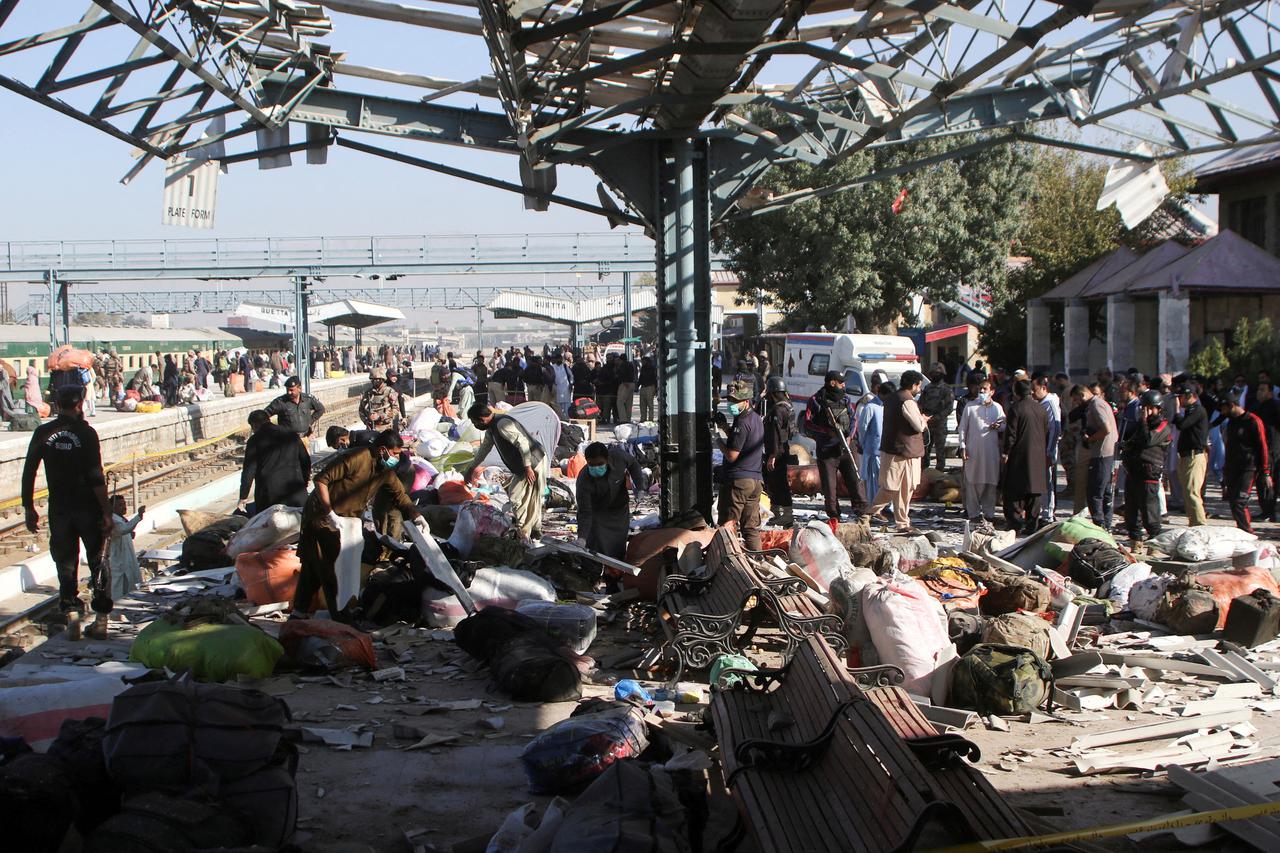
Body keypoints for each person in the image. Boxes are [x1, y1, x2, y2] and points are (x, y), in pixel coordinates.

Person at [293, 430, 424, 619]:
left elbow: (400, 496)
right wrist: (329, 512)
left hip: (347, 520)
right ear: (382, 450)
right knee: (331, 566)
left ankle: (299, 611)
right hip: (322, 516)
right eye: (395, 453)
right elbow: (321, 480)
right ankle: (340, 615)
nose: (397, 457)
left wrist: (417, 516)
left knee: (314, 566)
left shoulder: (384, 470)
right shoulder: (356, 457)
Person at [22, 385, 114, 638]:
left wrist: (29, 507)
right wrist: (107, 511)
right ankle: (101, 620)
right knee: (98, 560)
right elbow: (96, 477)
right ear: (79, 404)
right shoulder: (86, 433)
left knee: (65, 562)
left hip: (60, 510)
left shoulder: (43, 433)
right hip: (88, 508)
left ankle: (72, 617)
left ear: (57, 404)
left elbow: (29, 470)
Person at [462, 403, 548, 539]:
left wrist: (528, 467)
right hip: (526, 465)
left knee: (517, 496)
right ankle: (534, 530)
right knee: (529, 497)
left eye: (474, 422)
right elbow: (484, 449)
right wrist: (471, 468)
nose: (475, 426)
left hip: (532, 462)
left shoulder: (502, 424)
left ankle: (523, 532)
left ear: (482, 419)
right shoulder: (492, 428)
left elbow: (523, 443)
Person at [865, 370, 927, 533]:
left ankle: (901, 522)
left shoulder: (893, 398)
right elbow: (918, 425)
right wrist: (924, 420)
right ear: (914, 385)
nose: (919, 389)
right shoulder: (907, 401)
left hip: (898, 450)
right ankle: (871, 514)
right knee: (894, 487)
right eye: (919, 386)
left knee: (900, 488)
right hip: (902, 451)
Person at [803, 370, 865, 522]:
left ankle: (862, 512)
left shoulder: (845, 399)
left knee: (855, 481)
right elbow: (808, 423)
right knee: (830, 487)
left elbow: (853, 419)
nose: (843, 385)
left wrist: (849, 437)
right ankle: (834, 516)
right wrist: (827, 432)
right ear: (832, 383)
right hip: (827, 450)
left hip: (847, 448)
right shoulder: (816, 400)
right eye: (841, 382)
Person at [575, 441, 648, 559]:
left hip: (619, 511)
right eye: (591, 465)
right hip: (597, 514)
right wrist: (582, 538)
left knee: (618, 546)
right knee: (597, 548)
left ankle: (616, 573)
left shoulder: (619, 457)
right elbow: (584, 512)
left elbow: (633, 464)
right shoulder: (584, 480)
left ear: (607, 459)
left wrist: (639, 487)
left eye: (600, 463)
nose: (596, 468)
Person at [714, 381, 765, 550]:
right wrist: (725, 428)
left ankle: (727, 561)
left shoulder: (742, 422)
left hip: (739, 482)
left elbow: (732, 455)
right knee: (750, 528)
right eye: (730, 400)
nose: (731, 404)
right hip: (755, 480)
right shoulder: (755, 418)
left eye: (735, 401)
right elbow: (743, 442)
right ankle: (756, 561)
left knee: (727, 525)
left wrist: (718, 441)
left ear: (746, 401)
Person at [1120, 390, 1173, 547]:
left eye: (1150, 409)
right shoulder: (1140, 425)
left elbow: (1148, 440)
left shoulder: (1163, 426)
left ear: (1158, 409)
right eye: (1144, 408)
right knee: (1131, 511)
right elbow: (1132, 441)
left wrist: (1143, 421)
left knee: (1150, 512)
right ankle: (1135, 541)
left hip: (1149, 474)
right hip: (1133, 472)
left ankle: (1155, 543)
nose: (1146, 412)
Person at [237, 409, 312, 514]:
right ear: (268, 419)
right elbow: (305, 460)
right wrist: (304, 481)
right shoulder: (291, 434)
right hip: (295, 492)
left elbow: (249, 471)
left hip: (269, 497)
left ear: (254, 425)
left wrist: (243, 497)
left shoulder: (254, 440)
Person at [1002, 379, 1049, 534]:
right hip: (1037, 456)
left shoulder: (1016, 408)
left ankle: (1015, 524)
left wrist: (1006, 452)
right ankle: (1031, 525)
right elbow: (1046, 432)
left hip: (1019, 456)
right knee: (1034, 493)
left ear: (1016, 392)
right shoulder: (1041, 409)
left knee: (1014, 492)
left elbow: (1011, 434)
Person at [1220, 393, 1271, 533]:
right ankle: (1242, 530)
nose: (1222, 413)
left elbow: (1263, 446)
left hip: (1248, 468)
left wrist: (1266, 471)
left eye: (1224, 409)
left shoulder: (1253, 421)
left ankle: (1248, 533)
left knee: (1239, 501)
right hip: (1232, 467)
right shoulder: (1231, 422)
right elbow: (1229, 447)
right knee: (1232, 502)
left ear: (1232, 406)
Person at [958, 378, 1003, 525]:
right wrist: (963, 447)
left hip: (991, 452)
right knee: (972, 481)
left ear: (992, 391)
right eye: (980, 389)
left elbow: (1004, 425)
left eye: (985, 389)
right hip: (973, 451)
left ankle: (989, 513)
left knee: (990, 482)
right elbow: (963, 428)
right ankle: (974, 513)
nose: (982, 391)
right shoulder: (970, 407)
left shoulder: (997, 408)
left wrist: (998, 426)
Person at [1080, 381, 1118, 529]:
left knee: (1095, 492)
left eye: (1077, 399)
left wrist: (1090, 439)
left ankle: (1100, 525)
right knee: (1105, 491)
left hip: (1103, 454)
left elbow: (1106, 429)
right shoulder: (1100, 403)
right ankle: (1106, 525)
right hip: (1107, 453)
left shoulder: (1096, 405)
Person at [1172, 385, 1209, 526]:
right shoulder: (1189, 411)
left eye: (1181, 397)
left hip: (1195, 456)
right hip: (1185, 456)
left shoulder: (1198, 410)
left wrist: (1176, 412)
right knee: (1187, 492)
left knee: (1192, 491)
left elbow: (1183, 425)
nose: (1179, 400)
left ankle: (1200, 524)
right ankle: (1193, 522)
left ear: (1190, 396)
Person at [761, 375, 795, 529]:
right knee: (775, 482)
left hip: (776, 452)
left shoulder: (777, 410)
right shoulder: (788, 406)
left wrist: (772, 456)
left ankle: (786, 515)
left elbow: (775, 433)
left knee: (778, 483)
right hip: (783, 450)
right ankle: (777, 513)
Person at [1031, 374, 1062, 524]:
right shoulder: (1040, 403)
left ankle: (1048, 514)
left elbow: (1055, 428)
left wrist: (1049, 452)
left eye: (1034, 389)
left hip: (1047, 451)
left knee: (1047, 482)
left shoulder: (1050, 404)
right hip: (1039, 450)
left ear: (1043, 388)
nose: (1032, 392)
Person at [1250, 381, 1280, 522]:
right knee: (1261, 482)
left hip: (1273, 449)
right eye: (1258, 390)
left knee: (1269, 481)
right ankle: (1265, 510)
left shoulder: (1275, 406)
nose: (1259, 393)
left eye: (1263, 390)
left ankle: (1270, 511)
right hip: (1260, 448)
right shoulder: (1256, 406)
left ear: (1270, 392)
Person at [856, 381, 890, 500]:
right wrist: (863, 443)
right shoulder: (870, 407)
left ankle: (884, 506)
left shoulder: (886, 406)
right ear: (883, 394)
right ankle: (873, 506)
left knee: (885, 480)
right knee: (873, 480)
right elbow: (862, 427)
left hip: (885, 450)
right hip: (873, 450)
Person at [109, 495, 145, 601]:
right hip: (119, 562)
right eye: (120, 505)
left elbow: (126, 530)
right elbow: (123, 529)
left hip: (128, 560)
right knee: (119, 590)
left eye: (124, 504)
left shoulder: (121, 519)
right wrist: (138, 516)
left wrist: (130, 535)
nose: (124, 507)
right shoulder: (113, 520)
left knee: (132, 588)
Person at [918, 366, 954, 470]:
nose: (934, 376)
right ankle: (924, 472)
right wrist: (923, 416)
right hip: (927, 424)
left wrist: (935, 418)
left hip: (939, 425)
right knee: (925, 450)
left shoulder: (946, 389)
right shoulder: (928, 388)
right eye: (933, 373)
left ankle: (939, 473)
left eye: (937, 373)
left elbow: (948, 408)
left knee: (940, 451)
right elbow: (921, 402)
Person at [596, 353, 620, 426]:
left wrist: (603, 383)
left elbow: (614, 378)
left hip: (612, 389)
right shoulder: (605, 367)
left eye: (610, 358)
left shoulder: (615, 367)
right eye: (607, 358)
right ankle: (605, 419)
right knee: (605, 406)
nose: (608, 359)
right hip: (604, 390)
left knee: (613, 406)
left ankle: (614, 418)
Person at [616, 351, 637, 424]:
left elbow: (622, 374)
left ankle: (623, 419)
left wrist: (624, 381)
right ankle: (628, 419)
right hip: (632, 383)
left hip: (625, 384)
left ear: (620, 359)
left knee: (620, 402)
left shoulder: (622, 365)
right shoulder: (631, 364)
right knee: (629, 403)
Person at [637, 352, 658, 422]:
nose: (642, 362)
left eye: (643, 361)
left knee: (649, 404)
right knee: (642, 404)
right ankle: (643, 418)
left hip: (649, 387)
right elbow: (640, 378)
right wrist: (638, 385)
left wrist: (655, 389)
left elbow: (655, 379)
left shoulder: (652, 369)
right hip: (644, 387)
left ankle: (650, 419)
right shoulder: (643, 368)